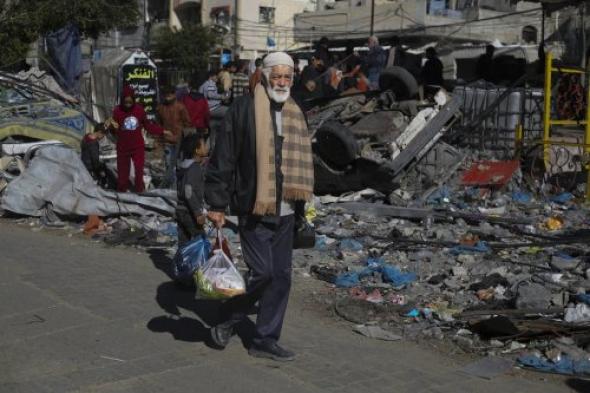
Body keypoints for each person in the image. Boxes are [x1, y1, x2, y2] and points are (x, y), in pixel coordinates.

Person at [206, 52, 314, 361]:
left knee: (281, 276)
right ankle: (229, 316)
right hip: (253, 205)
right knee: (263, 272)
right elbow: (223, 158)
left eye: (287, 77)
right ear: (265, 76)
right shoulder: (242, 110)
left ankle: (265, 339)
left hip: (287, 210)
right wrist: (217, 202)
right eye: (277, 76)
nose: (282, 82)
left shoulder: (296, 111)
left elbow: (302, 161)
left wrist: (303, 204)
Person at [109, 85, 168, 193]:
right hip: (123, 147)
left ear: (133, 100)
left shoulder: (139, 110)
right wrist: (113, 127)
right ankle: (122, 193)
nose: (127, 105)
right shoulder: (117, 111)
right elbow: (113, 129)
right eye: (125, 102)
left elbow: (148, 126)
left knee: (138, 172)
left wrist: (162, 131)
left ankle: (139, 193)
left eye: (130, 102)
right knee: (123, 174)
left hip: (137, 147)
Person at [176, 134, 209, 245]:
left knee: (183, 243)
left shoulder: (183, 166)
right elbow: (188, 191)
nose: (206, 147)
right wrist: (197, 213)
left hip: (180, 210)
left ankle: (181, 262)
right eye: (204, 145)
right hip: (188, 212)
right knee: (201, 240)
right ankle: (199, 262)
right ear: (197, 150)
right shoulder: (194, 168)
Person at [156, 86, 192, 188]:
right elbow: (158, 124)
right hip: (167, 140)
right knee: (169, 164)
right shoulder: (160, 108)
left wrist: (183, 135)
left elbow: (187, 123)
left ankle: (180, 186)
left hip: (179, 140)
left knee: (179, 165)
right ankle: (172, 188)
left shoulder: (180, 107)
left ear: (174, 94)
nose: (168, 97)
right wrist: (161, 133)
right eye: (166, 95)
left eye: (170, 94)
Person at [199, 70, 230, 150]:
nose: (217, 78)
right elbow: (210, 94)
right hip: (213, 108)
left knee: (213, 130)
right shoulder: (210, 83)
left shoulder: (205, 84)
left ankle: (212, 148)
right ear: (211, 76)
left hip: (209, 109)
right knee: (230, 111)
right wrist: (222, 97)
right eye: (216, 76)